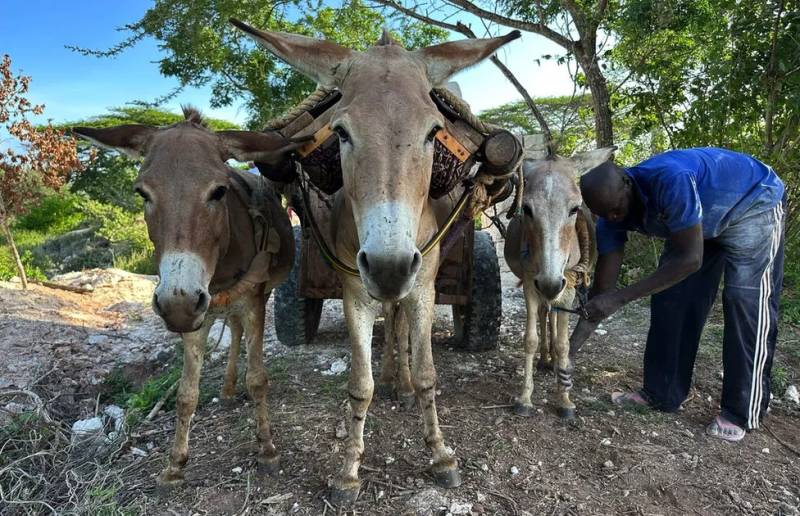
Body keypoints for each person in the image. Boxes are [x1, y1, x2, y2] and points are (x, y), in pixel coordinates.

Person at [574, 147, 785, 441]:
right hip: (696, 224)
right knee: (671, 300)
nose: (612, 215)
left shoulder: (670, 179)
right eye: (604, 214)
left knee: (745, 302)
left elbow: (690, 259)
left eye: (617, 208)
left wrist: (619, 299)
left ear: (627, 183)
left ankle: (741, 411)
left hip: (752, 205)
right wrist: (570, 349)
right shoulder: (609, 216)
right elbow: (603, 290)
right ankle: (662, 393)